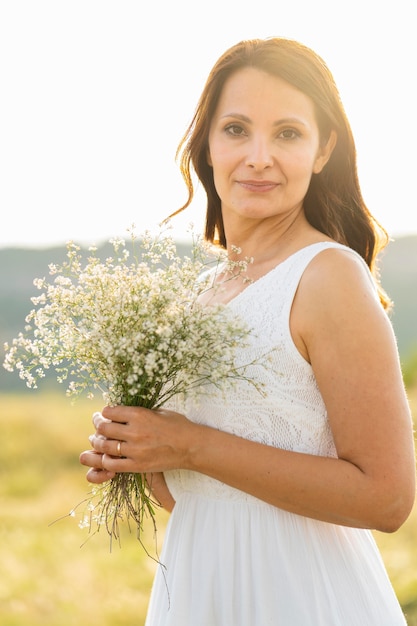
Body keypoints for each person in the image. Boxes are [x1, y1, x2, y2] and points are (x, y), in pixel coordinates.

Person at [80, 38, 416, 625]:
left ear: (323, 149)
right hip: (198, 591)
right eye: (236, 129)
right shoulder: (203, 292)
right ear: (207, 143)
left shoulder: (328, 275)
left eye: (287, 133)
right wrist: (143, 450)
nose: (259, 156)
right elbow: (195, 496)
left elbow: (387, 498)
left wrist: (190, 444)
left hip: (300, 597)